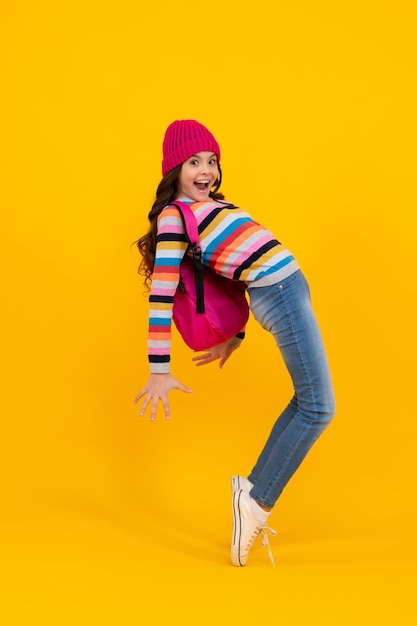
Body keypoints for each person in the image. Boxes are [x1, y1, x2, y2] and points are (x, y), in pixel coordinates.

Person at [134, 119, 335, 567]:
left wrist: (237, 334)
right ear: (173, 170)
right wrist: (159, 368)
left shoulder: (212, 206)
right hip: (280, 294)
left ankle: (252, 491)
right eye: (193, 163)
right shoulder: (174, 217)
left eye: (211, 162)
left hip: (287, 290)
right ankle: (257, 501)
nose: (206, 171)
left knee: (308, 401)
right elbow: (162, 292)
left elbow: (231, 273)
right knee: (319, 407)